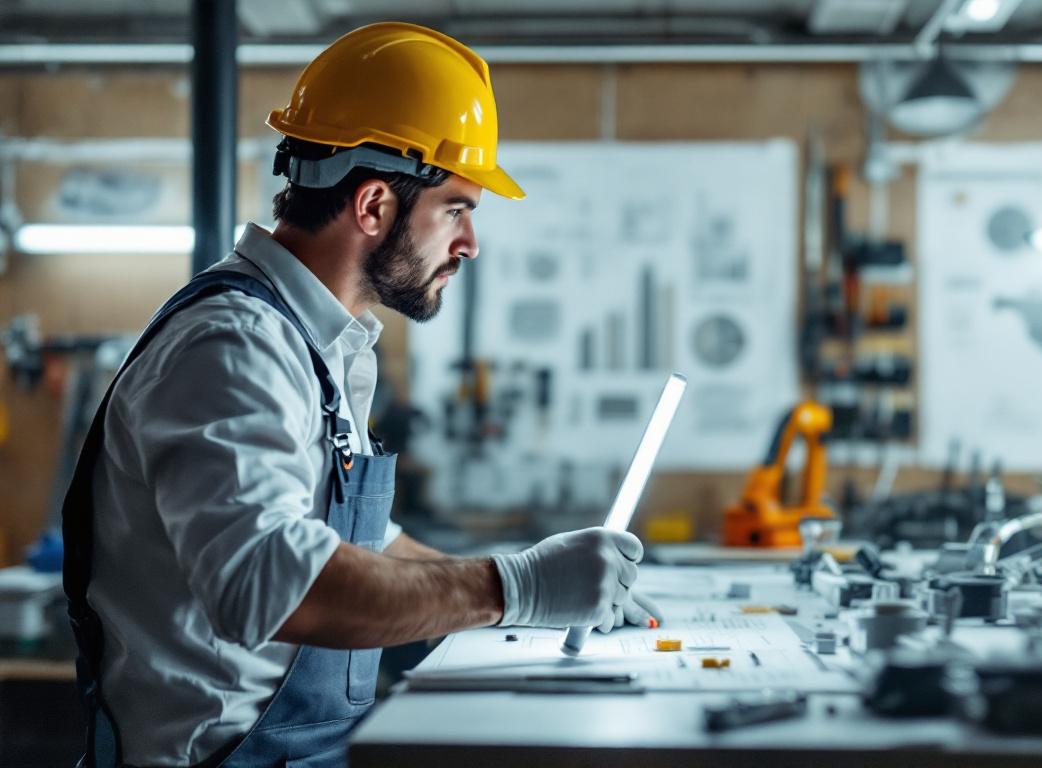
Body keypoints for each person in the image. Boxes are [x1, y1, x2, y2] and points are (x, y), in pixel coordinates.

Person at [61, 22, 660, 767]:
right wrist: (517, 588)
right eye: (457, 209)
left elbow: (360, 545)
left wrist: (537, 595)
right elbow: (267, 586)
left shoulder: (320, 344)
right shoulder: (235, 345)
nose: (470, 243)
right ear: (374, 205)